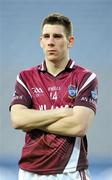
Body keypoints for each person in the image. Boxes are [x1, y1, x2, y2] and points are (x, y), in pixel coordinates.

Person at [9, 12, 98, 180]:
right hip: (29, 172)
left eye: (57, 36)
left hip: (70, 172)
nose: (51, 42)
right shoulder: (25, 77)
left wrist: (32, 122)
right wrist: (61, 112)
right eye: (46, 36)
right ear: (40, 42)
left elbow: (78, 127)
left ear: (70, 41)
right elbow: (17, 120)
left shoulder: (85, 78)